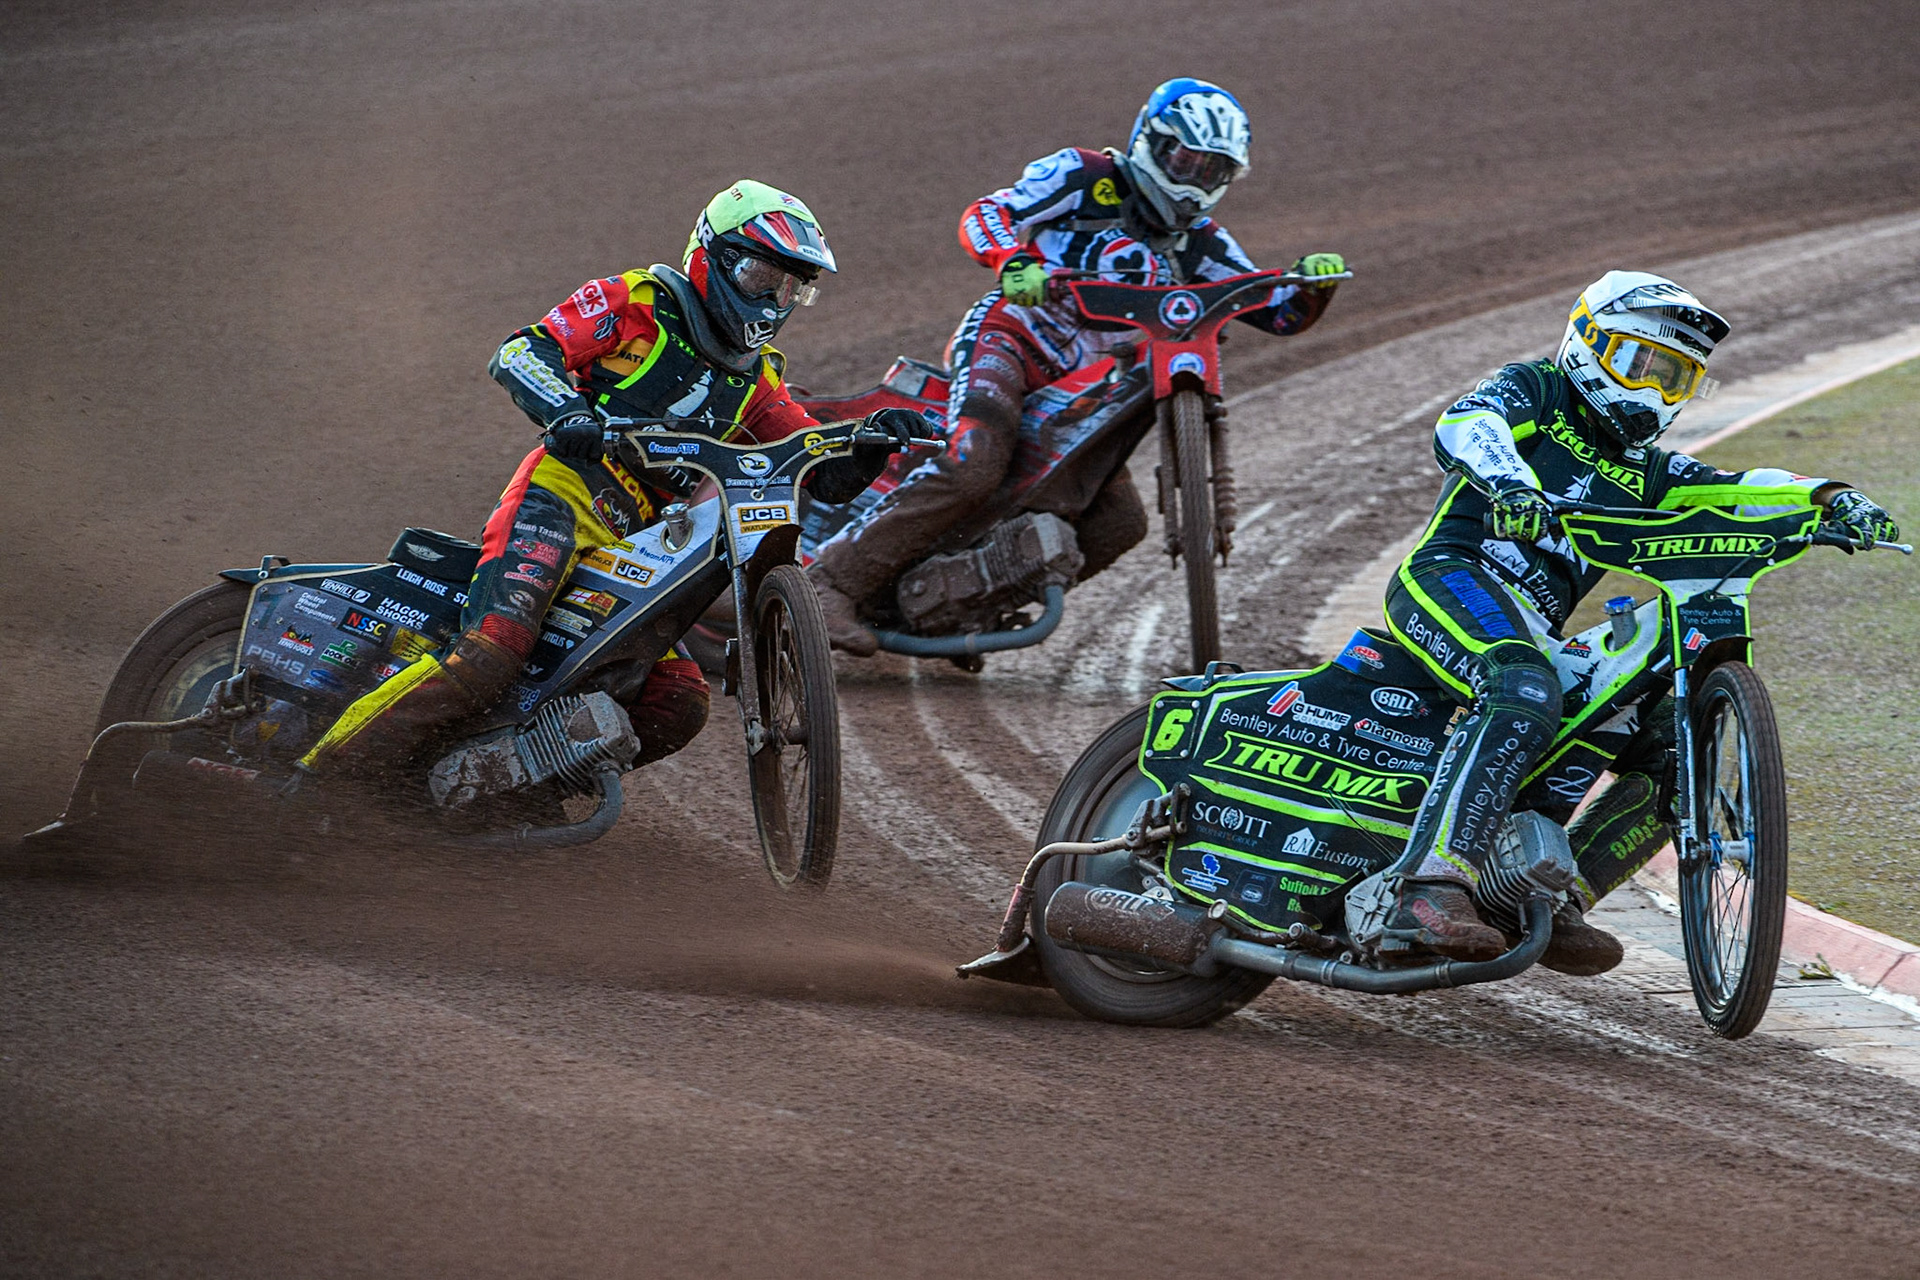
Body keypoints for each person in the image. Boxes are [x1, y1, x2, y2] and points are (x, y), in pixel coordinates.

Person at [300, 180, 917, 778]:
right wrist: (566, 411)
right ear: (713, 257)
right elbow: (521, 351)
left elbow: (818, 471)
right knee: (493, 651)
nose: (774, 302)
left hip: (636, 552)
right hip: (561, 499)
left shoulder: (756, 379)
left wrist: (873, 444)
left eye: (791, 289)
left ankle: (509, 788)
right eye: (763, 277)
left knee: (677, 701)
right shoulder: (637, 302)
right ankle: (313, 779)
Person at [1375, 270, 1900, 972]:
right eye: (1641, 365)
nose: (1654, 392)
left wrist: (1828, 497)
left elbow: (1739, 490)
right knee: (1522, 684)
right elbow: (1467, 423)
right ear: (1588, 343)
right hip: (1449, 577)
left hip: (1533, 625)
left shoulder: (1647, 469)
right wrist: (1510, 483)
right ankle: (1429, 887)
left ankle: (1552, 899)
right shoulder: (1537, 389)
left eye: (1676, 378)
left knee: (1671, 748)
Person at [805, 78, 1348, 653]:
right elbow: (986, 213)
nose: (1193, 181)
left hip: (1089, 386)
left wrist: (1314, 284)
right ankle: (829, 582)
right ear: (1152, 140)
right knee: (973, 460)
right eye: (1184, 159)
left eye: (1211, 170)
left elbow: (1278, 314)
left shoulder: (1202, 244)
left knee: (1121, 523)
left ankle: (958, 607)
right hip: (1014, 337)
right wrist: (1012, 260)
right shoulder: (1083, 175)